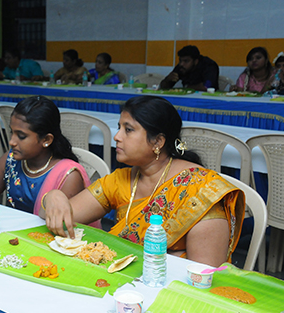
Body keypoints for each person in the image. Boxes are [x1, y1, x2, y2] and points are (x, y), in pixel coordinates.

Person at [41, 96, 245, 267]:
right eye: (119, 128)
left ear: (158, 142)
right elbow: (59, 220)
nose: (117, 137)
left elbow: (204, 273)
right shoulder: (121, 180)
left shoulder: (200, 189)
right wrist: (53, 196)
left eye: (128, 130)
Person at [0, 96, 98, 224]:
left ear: (46, 140)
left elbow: (62, 228)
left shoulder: (68, 176)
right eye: (12, 133)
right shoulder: (11, 160)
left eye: (21, 136)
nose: (12, 141)